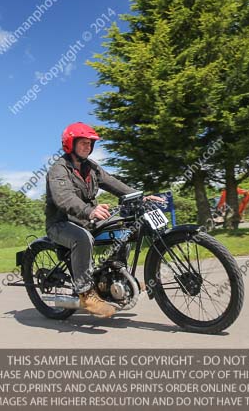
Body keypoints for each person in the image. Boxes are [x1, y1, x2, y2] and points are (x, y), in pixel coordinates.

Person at [45, 122, 163, 318]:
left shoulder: (91, 168)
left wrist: (140, 196)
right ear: (70, 144)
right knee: (82, 239)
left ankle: (116, 278)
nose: (87, 147)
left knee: (122, 229)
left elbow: (114, 184)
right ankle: (85, 293)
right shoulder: (59, 169)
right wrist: (89, 211)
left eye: (90, 143)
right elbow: (64, 198)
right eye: (82, 143)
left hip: (85, 220)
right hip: (61, 224)